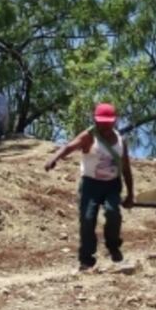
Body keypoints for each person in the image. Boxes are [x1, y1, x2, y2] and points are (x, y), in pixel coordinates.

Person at [44, 103, 135, 272]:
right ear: (95, 120)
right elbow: (69, 147)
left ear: (115, 122)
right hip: (90, 185)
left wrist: (130, 194)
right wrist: (54, 158)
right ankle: (86, 258)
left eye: (108, 122)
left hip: (112, 185)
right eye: (101, 122)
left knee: (113, 212)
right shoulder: (89, 136)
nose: (104, 125)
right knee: (87, 218)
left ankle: (113, 247)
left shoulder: (121, 141)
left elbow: (126, 169)